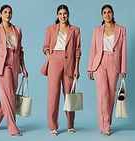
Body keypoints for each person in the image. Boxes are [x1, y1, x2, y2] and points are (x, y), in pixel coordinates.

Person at [0, 4, 28, 136]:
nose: (8, 14)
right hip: (2, 64)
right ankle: (12, 127)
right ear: (0, 14)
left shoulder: (17, 29)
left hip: (15, 63)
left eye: (10, 12)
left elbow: (20, 51)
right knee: (9, 97)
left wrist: (24, 67)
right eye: (5, 12)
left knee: (10, 96)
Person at [42, 4, 81, 136]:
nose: (63, 16)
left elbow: (77, 51)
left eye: (65, 13)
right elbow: (45, 47)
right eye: (60, 14)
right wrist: (50, 57)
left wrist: (76, 68)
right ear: (57, 15)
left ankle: (70, 124)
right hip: (54, 61)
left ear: (68, 15)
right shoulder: (50, 29)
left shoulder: (75, 30)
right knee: (53, 95)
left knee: (69, 94)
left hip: (69, 62)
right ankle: (53, 126)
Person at [88, 4, 127, 136]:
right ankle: (105, 125)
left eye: (109, 12)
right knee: (102, 93)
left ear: (113, 13)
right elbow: (93, 49)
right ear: (102, 15)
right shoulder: (97, 30)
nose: (107, 14)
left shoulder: (121, 29)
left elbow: (123, 51)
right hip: (99, 63)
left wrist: (123, 69)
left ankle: (107, 123)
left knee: (110, 94)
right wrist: (90, 68)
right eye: (104, 12)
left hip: (114, 63)